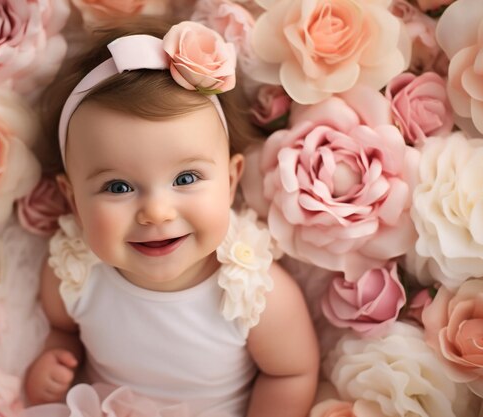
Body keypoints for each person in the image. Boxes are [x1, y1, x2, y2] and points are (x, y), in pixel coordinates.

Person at [24, 17, 319, 417]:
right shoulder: (72, 273)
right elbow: (63, 329)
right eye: (118, 187)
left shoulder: (255, 293)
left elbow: (291, 373)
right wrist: (56, 355)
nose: (156, 212)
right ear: (72, 199)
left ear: (230, 182)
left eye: (185, 178)